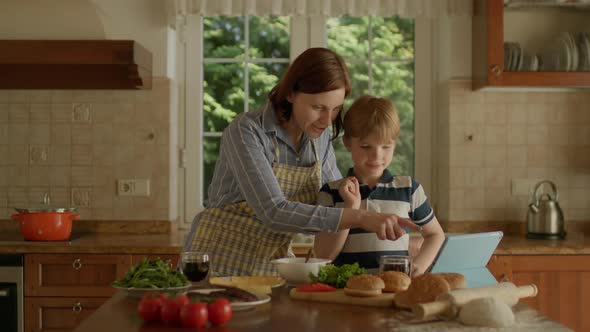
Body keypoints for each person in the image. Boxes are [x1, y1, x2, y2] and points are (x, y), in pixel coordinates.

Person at [183, 48, 419, 277]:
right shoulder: (246, 131)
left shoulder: (320, 138)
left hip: (271, 265)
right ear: (290, 94)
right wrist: (360, 217)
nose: (327, 120)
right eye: (318, 108)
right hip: (217, 262)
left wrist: (394, 236)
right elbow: (273, 211)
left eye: (336, 109)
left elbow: (333, 202)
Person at [313, 95, 445, 277]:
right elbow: (323, 255)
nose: (376, 156)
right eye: (366, 146)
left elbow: (435, 235)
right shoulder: (330, 193)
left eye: (386, 147)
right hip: (345, 293)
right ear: (347, 143)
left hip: (394, 290)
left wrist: (420, 265)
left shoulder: (409, 189)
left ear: (395, 145)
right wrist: (350, 208)